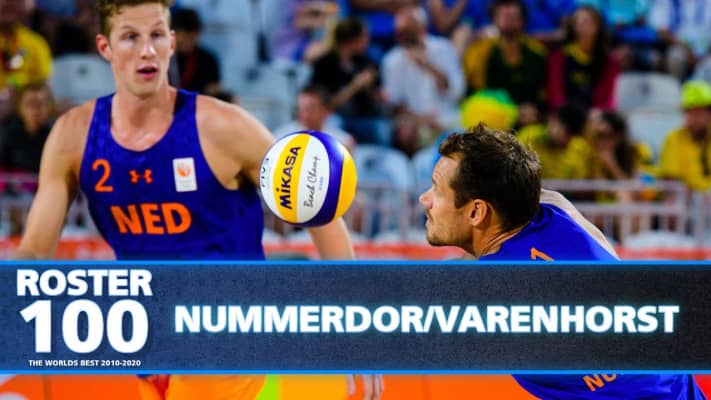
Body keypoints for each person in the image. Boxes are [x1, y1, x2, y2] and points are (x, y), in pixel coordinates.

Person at [14, 1, 382, 400]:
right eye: (131, 37)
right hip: (150, 349)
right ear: (105, 47)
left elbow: (318, 210)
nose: (147, 50)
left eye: (157, 35)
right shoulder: (73, 136)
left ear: (172, 43)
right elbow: (34, 251)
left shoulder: (224, 127)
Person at [418, 123, 705, 398]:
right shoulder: (555, 206)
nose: (424, 199)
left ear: (476, 212)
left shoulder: (489, 296)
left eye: (436, 189)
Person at [658, 80, 711, 191]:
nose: (695, 118)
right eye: (690, 112)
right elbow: (670, 180)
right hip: (685, 200)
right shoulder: (674, 139)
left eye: (699, 112)